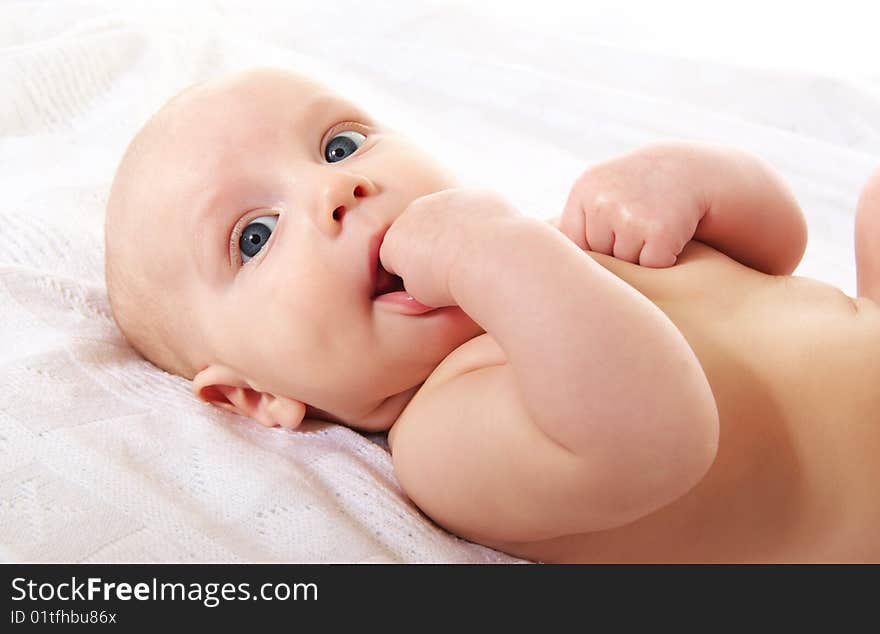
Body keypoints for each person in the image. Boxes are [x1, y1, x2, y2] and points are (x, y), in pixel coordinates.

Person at [104, 67, 880, 562]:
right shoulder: (445, 438)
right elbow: (662, 438)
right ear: (251, 393)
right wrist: (497, 253)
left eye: (340, 147)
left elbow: (776, 251)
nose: (335, 191)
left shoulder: (553, 246)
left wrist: (689, 181)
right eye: (255, 236)